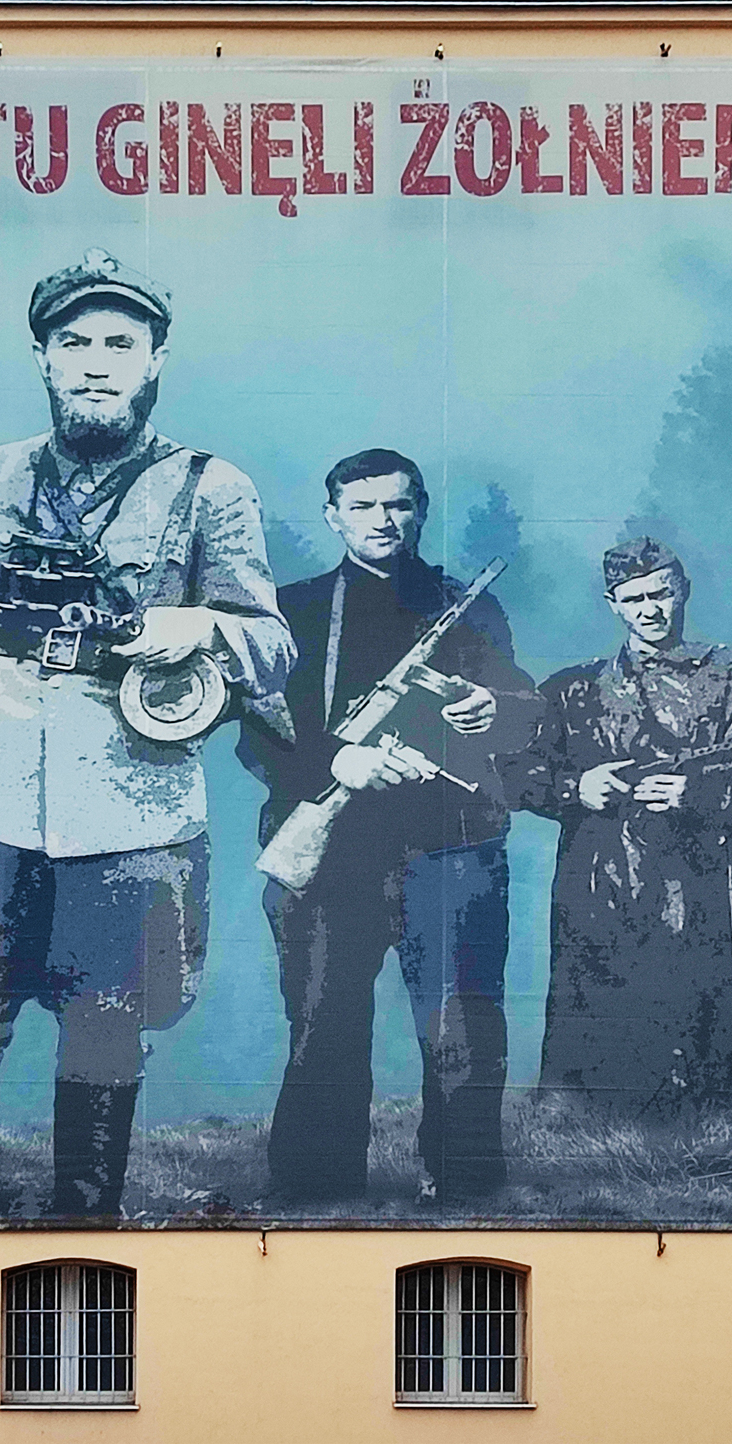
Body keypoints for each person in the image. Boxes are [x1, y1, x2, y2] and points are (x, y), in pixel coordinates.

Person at [0, 250, 295, 1219]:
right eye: (73, 342)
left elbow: (270, 647)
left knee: (107, 1023)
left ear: (155, 361)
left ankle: (86, 1227)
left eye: (119, 342)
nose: (96, 360)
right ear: (42, 358)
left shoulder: (207, 486)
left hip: (131, 798)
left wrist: (200, 626)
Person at [237, 449, 536, 1204]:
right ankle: (315, 1190)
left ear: (421, 510)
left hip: (452, 841)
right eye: (363, 507)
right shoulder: (294, 610)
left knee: (463, 1024)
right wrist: (340, 767)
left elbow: (522, 707)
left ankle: (467, 1187)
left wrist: (490, 708)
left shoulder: (469, 604)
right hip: (334, 846)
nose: (383, 520)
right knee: (324, 1019)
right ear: (333, 515)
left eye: (398, 505)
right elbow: (256, 733)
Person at [501, 538, 732, 1117]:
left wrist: (700, 793)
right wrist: (576, 787)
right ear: (613, 604)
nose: (650, 609)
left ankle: (706, 1138)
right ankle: (582, 1134)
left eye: (661, 593)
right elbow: (514, 768)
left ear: (683, 591)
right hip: (595, 886)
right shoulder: (574, 689)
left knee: (699, 1032)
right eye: (634, 598)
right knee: (595, 1027)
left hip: (699, 887)